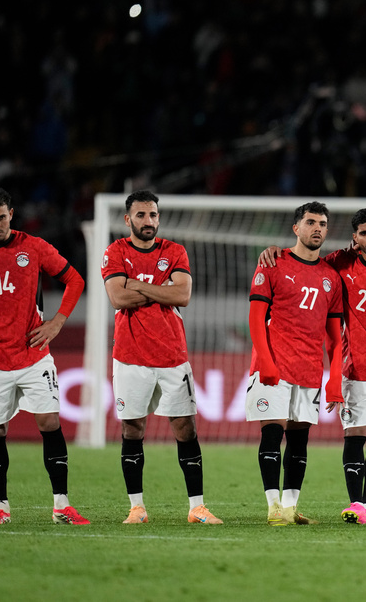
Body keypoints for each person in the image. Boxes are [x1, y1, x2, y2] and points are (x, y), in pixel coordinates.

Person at [264, 208, 366, 524]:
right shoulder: (340, 264)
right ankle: (356, 503)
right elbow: (305, 259)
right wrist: (275, 252)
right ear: (355, 239)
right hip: (355, 369)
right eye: (363, 233)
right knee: (354, 434)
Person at [0, 187, 88, 525]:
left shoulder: (33, 247)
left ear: (11, 214)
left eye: (2, 217)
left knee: (49, 422)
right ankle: (0, 508)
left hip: (34, 355)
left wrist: (58, 322)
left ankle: (61, 505)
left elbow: (74, 280)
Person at [102, 190, 222, 525]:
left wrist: (137, 284)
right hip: (130, 356)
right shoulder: (115, 251)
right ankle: (137, 507)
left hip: (172, 356)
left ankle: (197, 507)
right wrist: (159, 288)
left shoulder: (174, 251)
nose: (148, 221)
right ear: (128, 219)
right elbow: (116, 298)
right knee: (132, 428)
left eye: (153, 214)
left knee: (185, 427)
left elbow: (182, 294)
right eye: (141, 215)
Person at [246, 202, 343, 526]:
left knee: (299, 441)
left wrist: (334, 376)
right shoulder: (272, 264)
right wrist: (266, 362)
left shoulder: (331, 277)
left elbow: (335, 336)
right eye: (311, 222)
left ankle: (289, 507)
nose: (317, 228)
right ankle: (273, 507)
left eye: (323, 223)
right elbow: (256, 319)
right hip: (273, 367)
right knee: (272, 435)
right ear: (296, 228)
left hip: (309, 369)